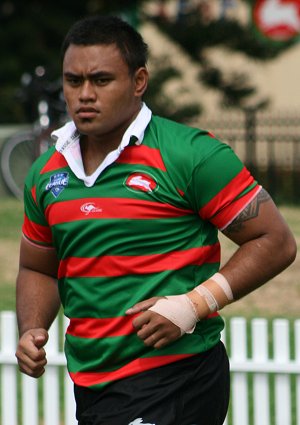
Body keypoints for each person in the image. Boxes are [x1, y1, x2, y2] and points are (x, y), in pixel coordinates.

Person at [15, 15, 297, 425]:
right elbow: (38, 266)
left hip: (178, 376)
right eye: (73, 81)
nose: (84, 94)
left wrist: (193, 304)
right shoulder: (46, 174)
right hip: (93, 383)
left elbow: (275, 241)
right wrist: (31, 328)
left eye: (101, 80)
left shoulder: (191, 155)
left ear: (139, 81)